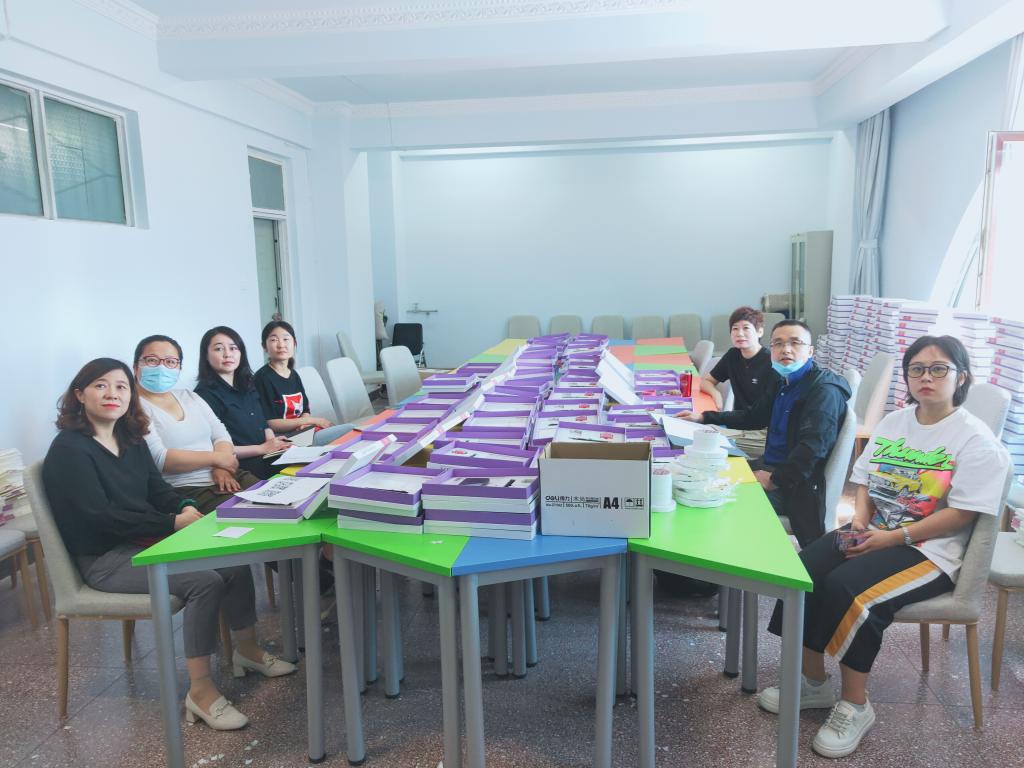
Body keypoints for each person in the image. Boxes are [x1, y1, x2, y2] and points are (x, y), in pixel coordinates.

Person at [756, 335, 1009, 758]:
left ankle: (855, 705)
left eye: (939, 369)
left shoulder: (976, 440)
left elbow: (961, 514)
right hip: (874, 531)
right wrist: (859, 521)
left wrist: (892, 537)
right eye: (917, 369)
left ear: (961, 377)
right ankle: (814, 683)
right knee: (802, 571)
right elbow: (865, 482)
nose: (926, 377)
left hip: (929, 550)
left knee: (851, 589)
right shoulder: (895, 423)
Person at [43, 359, 296, 731]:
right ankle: (201, 691)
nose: (112, 394)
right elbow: (100, 518)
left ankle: (247, 650)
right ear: (79, 395)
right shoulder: (69, 449)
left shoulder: (129, 437)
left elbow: (157, 489)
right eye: (100, 386)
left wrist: (184, 506)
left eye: (121, 387)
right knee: (204, 581)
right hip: (105, 558)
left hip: (145, 540)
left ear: (131, 396)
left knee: (230, 558)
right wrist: (170, 522)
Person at [683, 319, 852, 546]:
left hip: (793, 487)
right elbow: (754, 417)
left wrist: (774, 480)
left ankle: (723, 561)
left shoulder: (823, 392)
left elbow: (812, 449)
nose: (786, 349)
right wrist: (705, 417)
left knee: (713, 505)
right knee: (699, 476)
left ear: (810, 351)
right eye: (778, 344)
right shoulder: (783, 381)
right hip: (769, 466)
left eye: (795, 343)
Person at [133, 334, 261, 511]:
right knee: (256, 516)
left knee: (284, 504)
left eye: (170, 362)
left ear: (179, 367)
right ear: (135, 367)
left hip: (229, 474)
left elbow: (220, 434)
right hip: (187, 489)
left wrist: (222, 467)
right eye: (152, 360)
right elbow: (160, 459)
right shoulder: (133, 406)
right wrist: (218, 459)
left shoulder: (190, 396)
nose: (162, 367)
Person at [194, 326, 291, 480]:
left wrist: (273, 442)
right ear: (205, 355)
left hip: (268, 454)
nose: (228, 354)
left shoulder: (247, 383)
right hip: (242, 465)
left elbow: (263, 423)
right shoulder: (204, 394)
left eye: (233, 348)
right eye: (219, 349)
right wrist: (262, 449)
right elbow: (213, 448)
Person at [252, 320, 352, 446]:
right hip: (283, 440)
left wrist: (305, 422)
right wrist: (314, 421)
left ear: (294, 344)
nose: (281, 345)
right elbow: (270, 423)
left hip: (302, 432)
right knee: (349, 431)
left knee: (348, 434)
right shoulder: (262, 378)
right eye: (274, 340)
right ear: (264, 346)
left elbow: (305, 409)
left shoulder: (294, 375)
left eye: (286, 339)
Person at [700, 306, 779, 459]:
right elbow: (707, 381)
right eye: (735, 328)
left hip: (760, 433)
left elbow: (757, 417)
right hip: (739, 425)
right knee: (698, 431)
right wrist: (716, 394)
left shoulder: (771, 363)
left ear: (760, 332)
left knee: (702, 437)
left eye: (746, 328)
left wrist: (707, 417)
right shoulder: (733, 355)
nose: (739, 333)